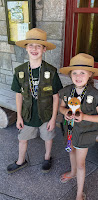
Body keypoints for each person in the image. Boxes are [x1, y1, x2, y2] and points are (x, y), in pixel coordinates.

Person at [7, 28, 63, 174]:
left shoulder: (51, 71)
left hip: (46, 114)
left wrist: (53, 119)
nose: (34, 49)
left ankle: (47, 157)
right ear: (26, 48)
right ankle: (20, 160)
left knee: (48, 138)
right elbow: (18, 95)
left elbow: (56, 96)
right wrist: (18, 116)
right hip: (27, 114)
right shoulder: (20, 71)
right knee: (22, 138)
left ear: (44, 49)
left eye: (38, 46)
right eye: (30, 45)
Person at [59, 53, 98, 200]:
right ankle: (73, 172)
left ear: (90, 74)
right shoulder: (67, 91)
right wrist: (65, 111)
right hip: (70, 130)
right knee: (71, 152)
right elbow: (61, 107)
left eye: (82, 72)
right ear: (70, 74)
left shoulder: (96, 95)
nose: (78, 76)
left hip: (85, 133)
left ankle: (79, 193)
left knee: (81, 163)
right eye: (74, 72)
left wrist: (84, 116)